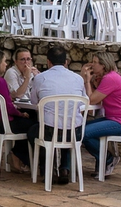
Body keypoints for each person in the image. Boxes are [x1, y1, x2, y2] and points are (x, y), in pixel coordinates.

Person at [26, 44, 87, 184]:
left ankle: (48, 168)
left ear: (48, 62)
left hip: (49, 132)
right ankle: (65, 168)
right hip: (75, 132)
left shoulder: (41, 78)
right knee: (67, 125)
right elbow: (83, 102)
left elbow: (34, 101)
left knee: (32, 132)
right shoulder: (78, 79)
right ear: (66, 62)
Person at [0, 49, 37, 173]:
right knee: (36, 126)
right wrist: (21, 114)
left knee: (30, 122)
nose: (6, 64)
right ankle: (19, 156)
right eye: (4, 61)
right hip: (3, 123)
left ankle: (18, 156)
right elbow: (8, 107)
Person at [80, 52, 121, 177]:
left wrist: (86, 81)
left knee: (83, 133)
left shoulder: (110, 78)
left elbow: (92, 100)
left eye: (95, 62)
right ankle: (104, 159)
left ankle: (108, 159)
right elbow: (96, 98)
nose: (92, 65)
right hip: (116, 118)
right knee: (78, 128)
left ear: (103, 65)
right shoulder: (109, 77)